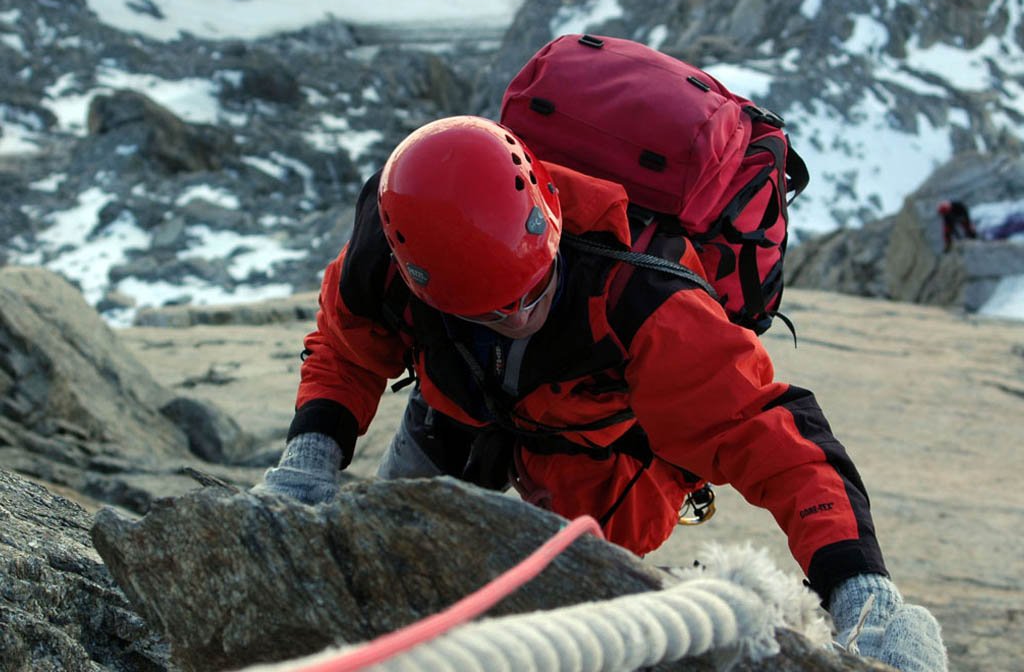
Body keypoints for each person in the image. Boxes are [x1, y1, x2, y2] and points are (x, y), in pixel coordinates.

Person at [255, 115, 947, 670]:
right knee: (387, 556)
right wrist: (309, 460)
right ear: (419, 280)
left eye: (538, 286)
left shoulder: (642, 298)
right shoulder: (386, 256)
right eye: (498, 307)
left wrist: (861, 588)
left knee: (568, 616)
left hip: (600, 458)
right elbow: (346, 353)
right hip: (459, 406)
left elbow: (769, 436)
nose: (525, 310)